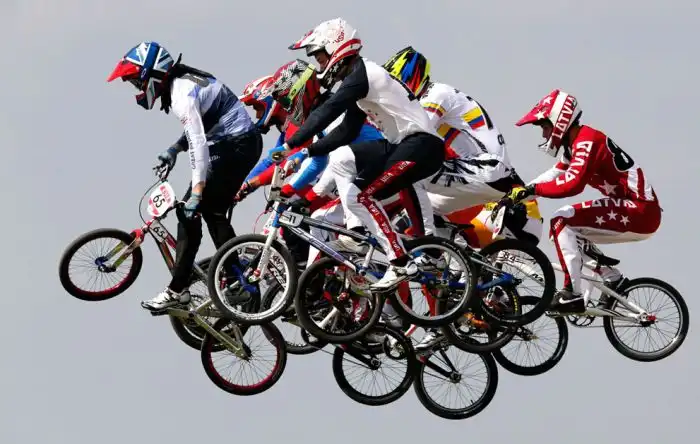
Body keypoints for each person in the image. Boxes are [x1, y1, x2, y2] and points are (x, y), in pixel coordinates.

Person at [274, 18, 446, 291]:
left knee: (361, 196)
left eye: (320, 56)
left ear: (336, 47)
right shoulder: (361, 80)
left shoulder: (362, 75)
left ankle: (399, 262)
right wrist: (307, 150)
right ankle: (378, 237)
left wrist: (289, 145)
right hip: (403, 146)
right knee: (343, 159)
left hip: (420, 146)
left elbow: (328, 110)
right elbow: (346, 131)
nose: (319, 65)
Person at [106, 41, 263, 311]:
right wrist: (175, 149)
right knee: (200, 214)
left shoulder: (181, 95)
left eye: (137, 82)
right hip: (234, 145)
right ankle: (225, 277)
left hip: (235, 146)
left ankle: (187, 288)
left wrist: (197, 191)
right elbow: (205, 123)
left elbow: (199, 143)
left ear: (153, 74)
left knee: (200, 211)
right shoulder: (182, 82)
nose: (137, 88)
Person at [504, 89, 662, 313]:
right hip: (636, 209)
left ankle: (572, 294)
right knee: (565, 233)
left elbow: (572, 184)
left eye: (545, 127)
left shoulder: (586, 141)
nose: (544, 134)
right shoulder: (575, 144)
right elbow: (553, 174)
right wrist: (515, 195)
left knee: (562, 220)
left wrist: (531, 190)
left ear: (559, 121)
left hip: (640, 209)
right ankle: (612, 278)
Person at [382, 46, 525, 237]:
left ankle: (426, 241)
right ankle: (445, 251)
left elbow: (411, 135)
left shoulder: (435, 94)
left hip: (489, 169)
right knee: (419, 209)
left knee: (409, 174)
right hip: (488, 173)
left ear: (409, 78)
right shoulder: (433, 96)